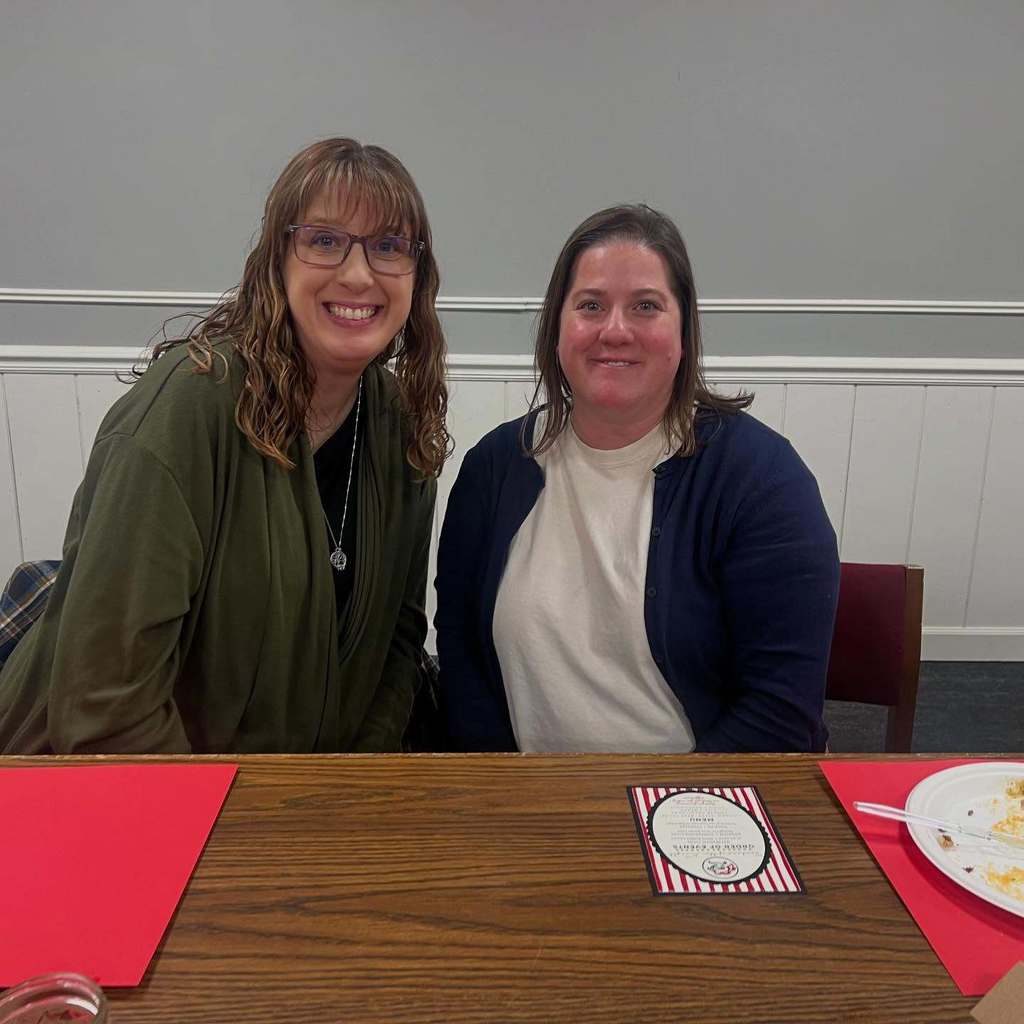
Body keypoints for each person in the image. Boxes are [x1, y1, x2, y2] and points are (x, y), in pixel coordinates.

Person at [0, 137, 450, 754]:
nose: (357, 273)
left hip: (296, 799)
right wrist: (245, 835)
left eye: (388, 246)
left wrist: (352, 784)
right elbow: (105, 708)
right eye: (323, 240)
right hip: (100, 784)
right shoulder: (188, 410)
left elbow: (398, 640)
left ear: (417, 275)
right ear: (277, 262)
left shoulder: (402, 425)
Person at [435, 204, 839, 753]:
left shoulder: (763, 482)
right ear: (558, 328)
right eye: (591, 306)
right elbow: (462, 655)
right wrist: (511, 801)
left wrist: (667, 814)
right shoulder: (494, 468)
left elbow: (779, 713)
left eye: (646, 306)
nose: (615, 330)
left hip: (699, 816)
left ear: (682, 331)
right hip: (528, 805)